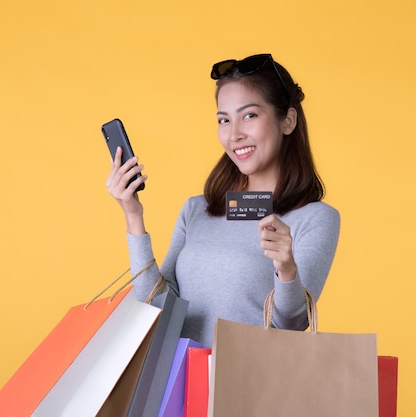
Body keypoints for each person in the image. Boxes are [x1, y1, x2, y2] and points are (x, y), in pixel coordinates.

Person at [106, 53, 340, 347]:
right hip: (182, 384)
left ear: (288, 121)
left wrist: (286, 268)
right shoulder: (197, 210)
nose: (235, 134)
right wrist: (133, 216)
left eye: (249, 115)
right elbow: (158, 307)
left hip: (248, 387)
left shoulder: (314, 218)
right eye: (224, 120)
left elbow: (292, 326)